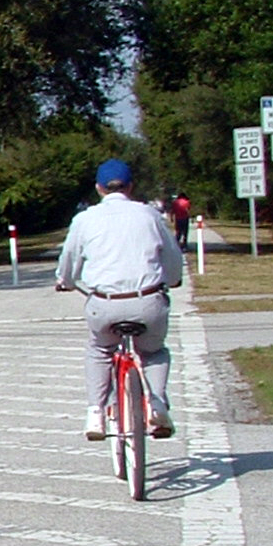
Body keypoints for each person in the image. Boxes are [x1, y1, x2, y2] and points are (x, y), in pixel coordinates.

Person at [55, 158, 184, 442]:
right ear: (130, 187)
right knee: (153, 351)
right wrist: (173, 279)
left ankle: (96, 413)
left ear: (99, 188)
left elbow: (69, 261)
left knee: (100, 350)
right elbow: (172, 257)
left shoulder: (85, 219)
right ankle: (158, 403)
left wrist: (64, 281)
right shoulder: (150, 215)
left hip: (104, 304)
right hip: (148, 301)